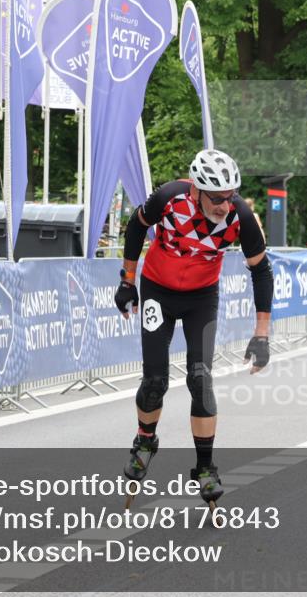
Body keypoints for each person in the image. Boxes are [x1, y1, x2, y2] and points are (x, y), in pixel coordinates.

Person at [115, 149, 273, 505]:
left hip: (202, 297)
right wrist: (127, 280)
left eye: (230, 195)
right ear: (196, 191)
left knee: (200, 378)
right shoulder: (169, 197)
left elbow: (261, 270)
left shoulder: (240, 216)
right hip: (158, 290)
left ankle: (205, 467)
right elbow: (137, 226)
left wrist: (261, 334)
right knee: (155, 380)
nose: (223, 205)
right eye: (216, 198)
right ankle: (145, 440)